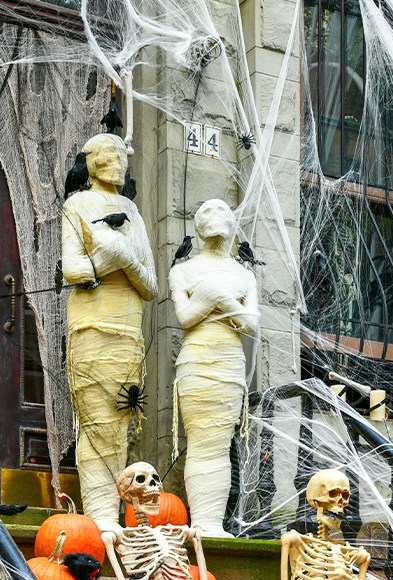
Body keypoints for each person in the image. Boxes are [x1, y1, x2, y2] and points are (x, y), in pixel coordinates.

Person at [60, 133, 157, 527]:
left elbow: (150, 285)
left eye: (122, 154)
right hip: (92, 326)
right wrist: (108, 258)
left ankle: (111, 516)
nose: (118, 161)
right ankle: (99, 516)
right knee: (96, 420)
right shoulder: (77, 204)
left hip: (127, 330)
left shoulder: (132, 210)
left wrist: (126, 257)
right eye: (109, 154)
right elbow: (72, 268)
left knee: (118, 428)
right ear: (92, 162)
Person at [168, 199, 257, 536]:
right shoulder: (183, 270)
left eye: (222, 210)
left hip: (229, 363)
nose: (215, 215)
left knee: (220, 446)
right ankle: (202, 522)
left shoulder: (243, 274)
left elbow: (252, 323)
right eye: (206, 210)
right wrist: (214, 299)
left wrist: (216, 297)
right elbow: (186, 317)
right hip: (197, 363)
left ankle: (212, 523)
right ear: (196, 224)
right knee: (201, 442)